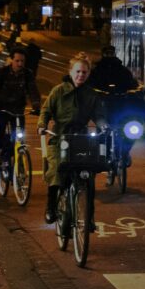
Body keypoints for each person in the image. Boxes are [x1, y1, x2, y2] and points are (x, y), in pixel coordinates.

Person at [37, 52, 106, 223]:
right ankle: (51, 207)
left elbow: (99, 115)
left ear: (88, 74)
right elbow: (46, 110)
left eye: (84, 72)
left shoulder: (91, 94)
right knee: (56, 171)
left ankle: (89, 218)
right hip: (59, 138)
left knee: (88, 176)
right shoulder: (58, 91)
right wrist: (42, 125)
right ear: (70, 72)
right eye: (77, 72)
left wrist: (103, 125)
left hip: (81, 140)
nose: (80, 75)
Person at [0, 47, 41, 167]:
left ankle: (15, 157)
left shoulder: (28, 74)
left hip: (18, 109)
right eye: (17, 61)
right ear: (11, 60)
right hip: (1, 107)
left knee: (19, 133)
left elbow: (33, 91)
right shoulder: (1, 72)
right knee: (1, 124)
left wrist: (36, 106)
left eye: (22, 61)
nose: (20, 63)